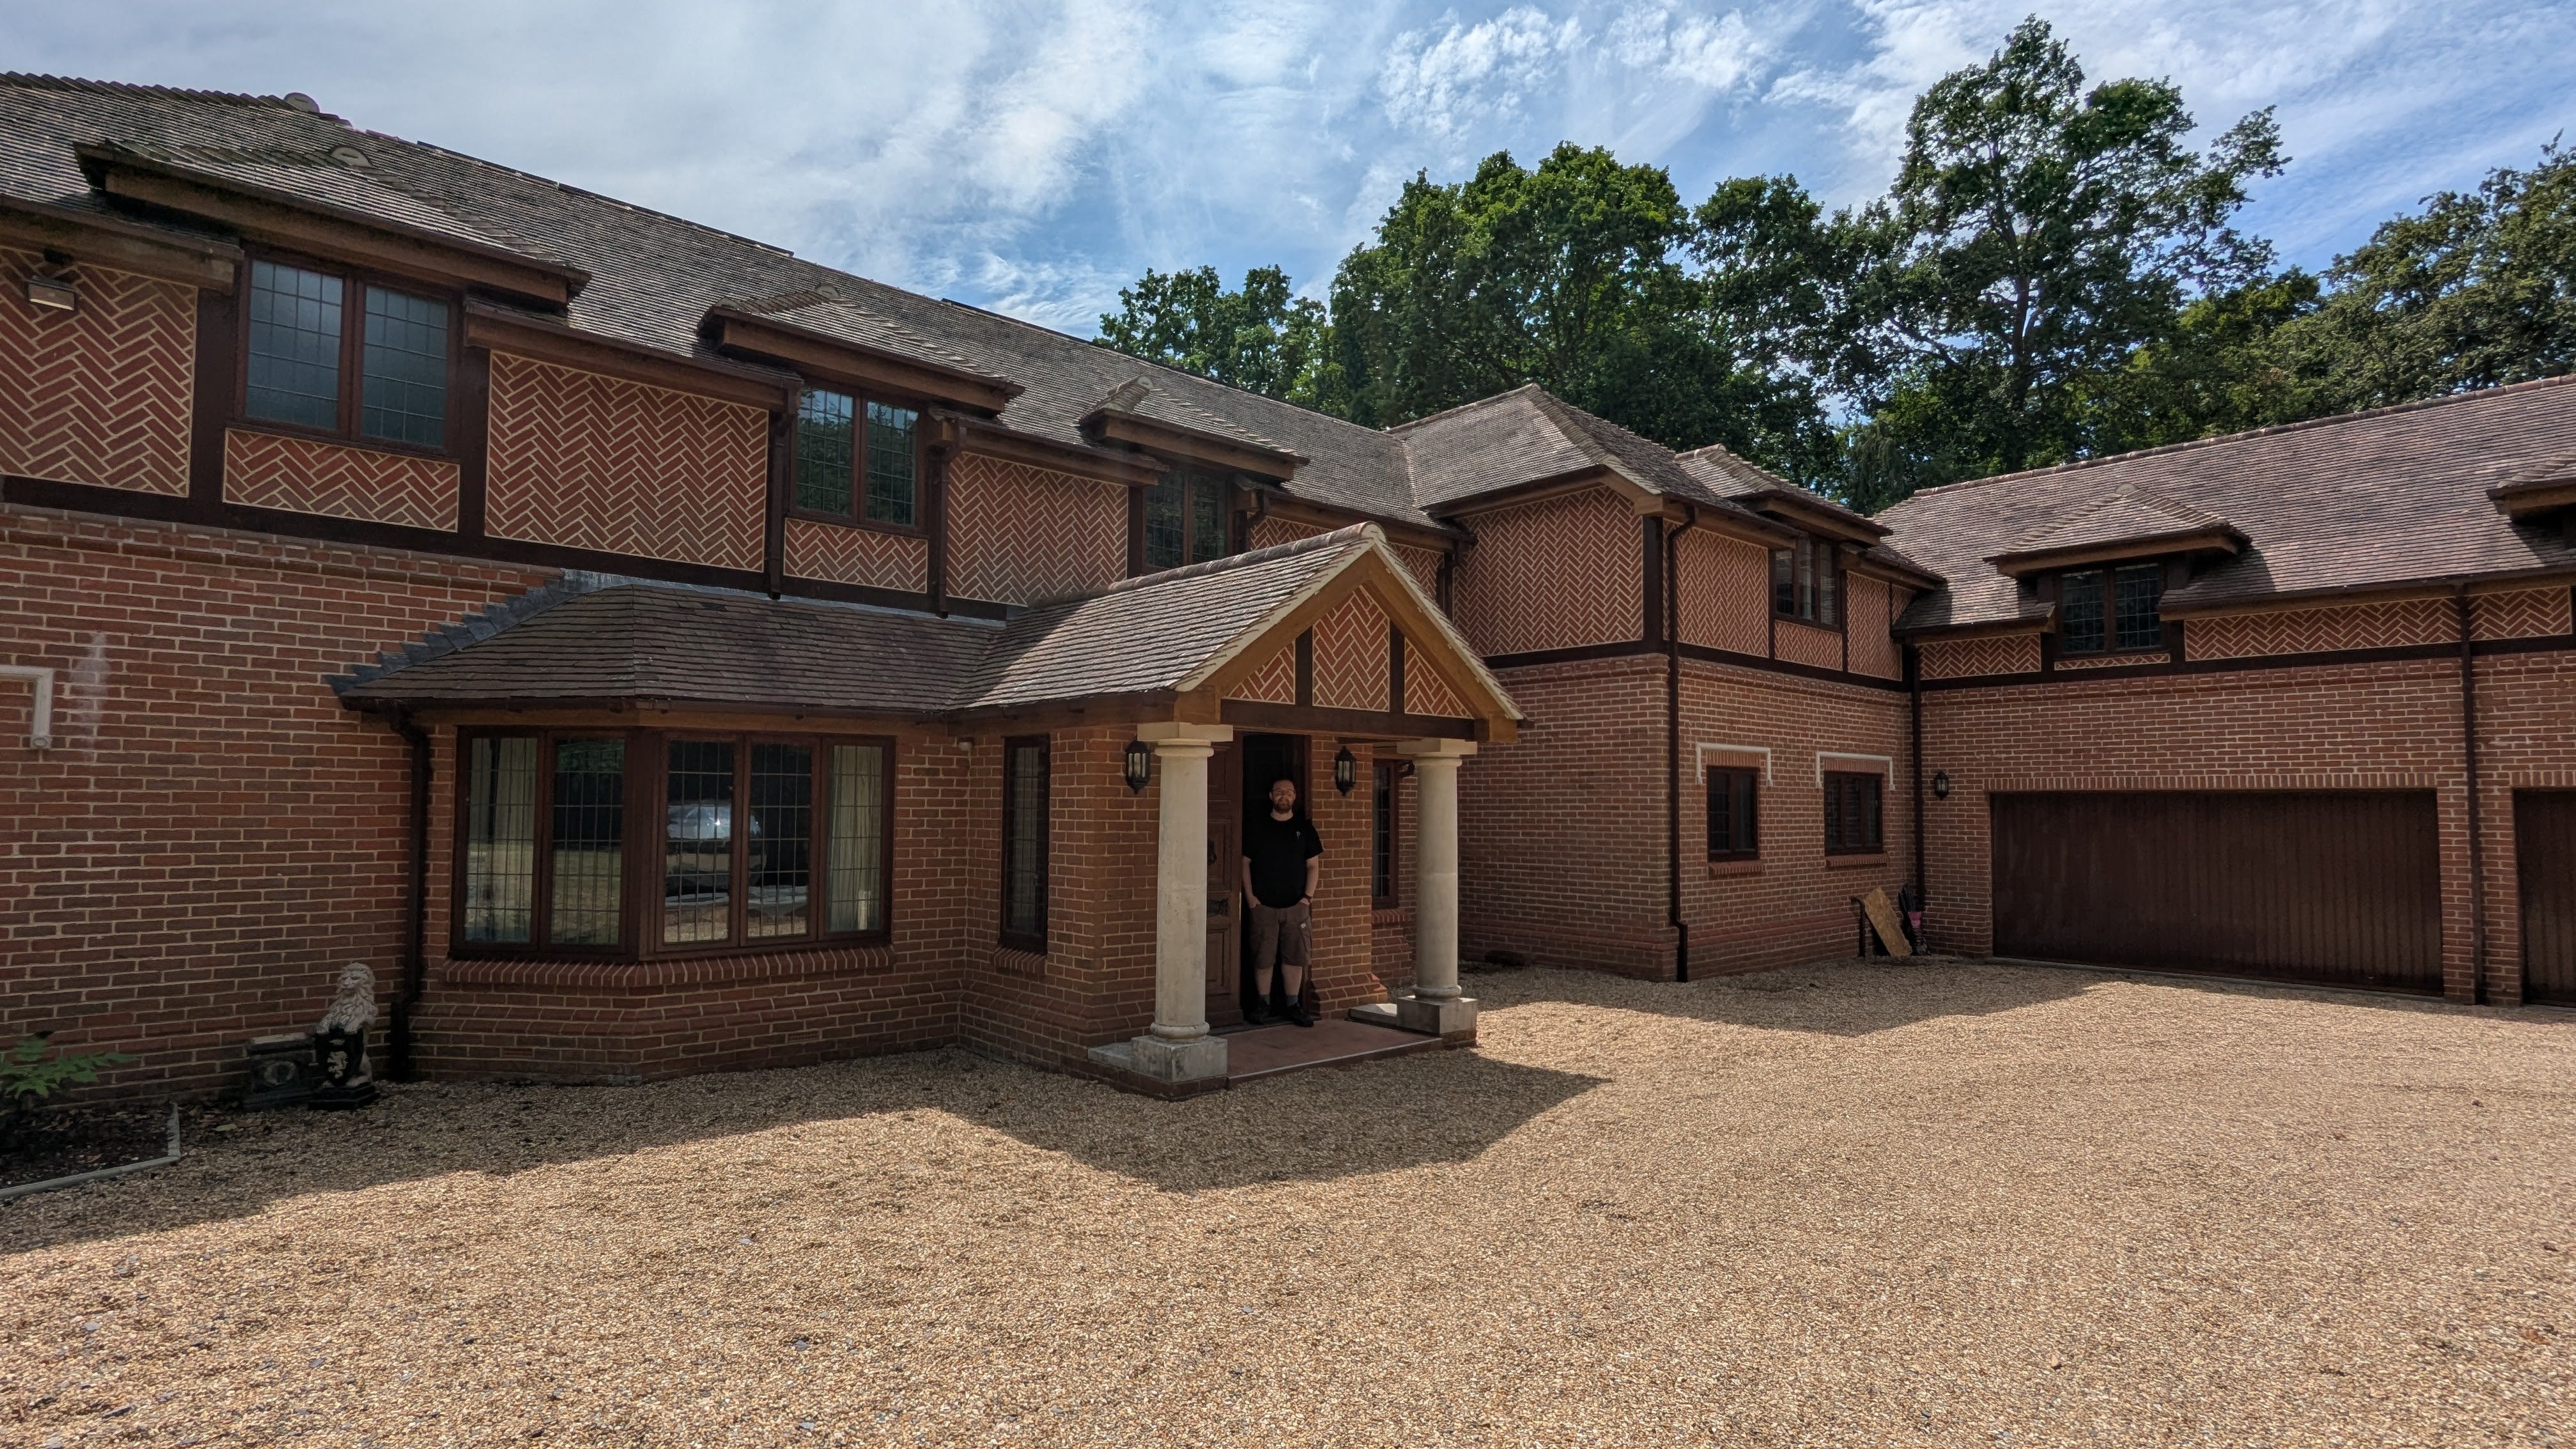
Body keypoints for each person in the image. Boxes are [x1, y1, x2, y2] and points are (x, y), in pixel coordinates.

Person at [1240, 774, 1323, 1027]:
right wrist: (1251, 898)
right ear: (1271, 796)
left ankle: (1293, 1005)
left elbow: (1313, 866)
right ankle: (1263, 1004)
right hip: (1263, 906)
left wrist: (1307, 898)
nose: (1283, 796)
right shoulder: (1257, 827)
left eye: (1288, 792)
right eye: (1279, 791)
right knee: (1263, 959)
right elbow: (1245, 863)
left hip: (1296, 908)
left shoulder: (1305, 830)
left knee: (1294, 959)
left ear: (1295, 797)